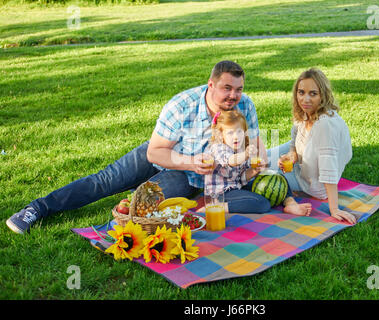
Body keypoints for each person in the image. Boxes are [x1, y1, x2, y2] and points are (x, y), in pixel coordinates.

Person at [6, 60, 268, 234]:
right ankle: (37, 209)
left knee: (145, 203)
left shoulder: (245, 105)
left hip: (188, 177)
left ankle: (107, 231)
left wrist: (259, 159)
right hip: (162, 155)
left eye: (238, 89)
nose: (233, 96)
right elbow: (156, 151)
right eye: (227, 88)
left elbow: (256, 144)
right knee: (104, 182)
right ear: (211, 85)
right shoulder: (182, 105)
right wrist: (190, 162)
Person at [277, 68, 356, 224]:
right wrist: (292, 155)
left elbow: (328, 168)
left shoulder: (325, 125)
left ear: (322, 95)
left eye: (313, 94)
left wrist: (334, 209)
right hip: (304, 162)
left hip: (312, 183)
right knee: (261, 156)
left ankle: (289, 203)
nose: (305, 99)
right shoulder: (305, 113)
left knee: (263, 173)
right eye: (301, 92)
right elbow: (293, 141)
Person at [204, 110, 312, 215]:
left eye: (239, 131)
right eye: (230, 133)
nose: (236, 136)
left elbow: (242, 178)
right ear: (220, 135)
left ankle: (290, 203)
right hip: (221, 193)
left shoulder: (240, 148)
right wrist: (246, 155)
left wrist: (254, 171)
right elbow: (231, 161)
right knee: (262, 204)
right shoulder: (218, 147)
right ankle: (216, 207)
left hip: (237, 186)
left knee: (277, 177)